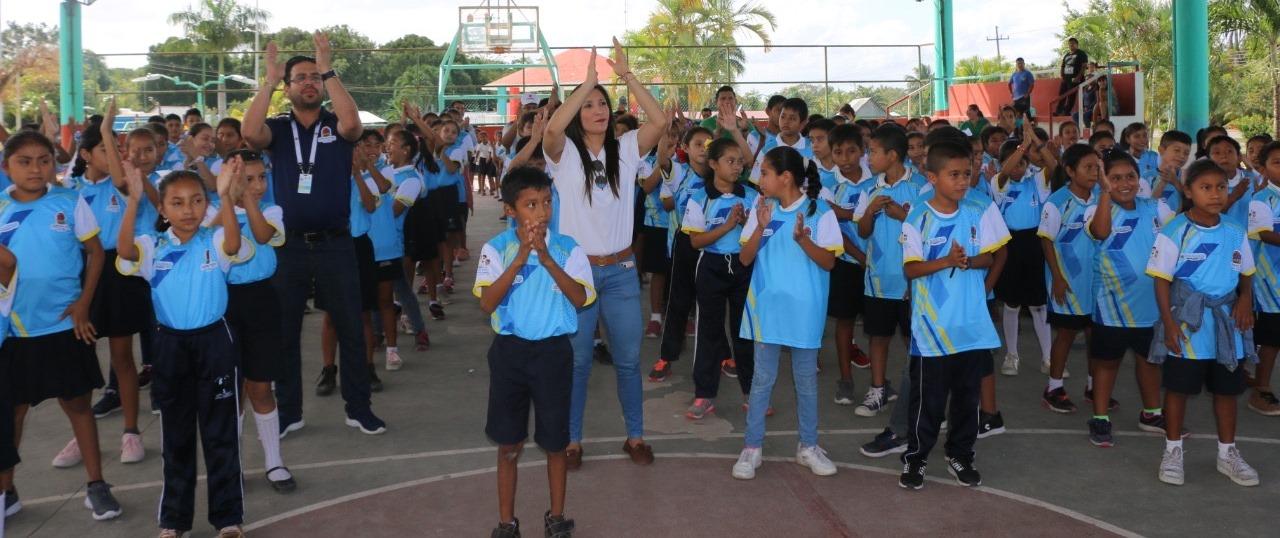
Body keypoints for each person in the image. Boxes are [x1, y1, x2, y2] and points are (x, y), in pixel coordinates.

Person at [241, 34, 385, 437]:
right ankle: (289, 411)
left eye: (314, 78)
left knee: (351, 329)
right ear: (288, 88)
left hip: (336, 243)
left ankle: (359, 407)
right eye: (300, 77)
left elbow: (354, 125)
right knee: (285, 331)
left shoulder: (336, 125)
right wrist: (267, 82)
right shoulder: (279, 128)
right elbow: (250, 135)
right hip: (289, 247)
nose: (309, 82)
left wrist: (328, 68)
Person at [543, 40, 668, 468]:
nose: (597, 110)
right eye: (589, 105)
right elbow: (552, 131)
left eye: (602, 104)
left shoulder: (628, 148)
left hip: (620, 272)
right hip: (577, 274)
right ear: (578, 112)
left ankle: (635, 436)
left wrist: (628, 75)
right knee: (577, 362)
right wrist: (587, 83)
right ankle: (572, 441)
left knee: (629, 361)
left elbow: (660, 120)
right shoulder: (565, 155)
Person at [118, 160, 251, 537]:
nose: (188, 210)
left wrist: (224, 196)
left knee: (220, 433)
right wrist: (132, 203)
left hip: (215, 342)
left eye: (196, 201)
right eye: (176, 203)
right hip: (170, 347)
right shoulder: (152, 246)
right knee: (176, 435)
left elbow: (235, 242)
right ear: (162, 209)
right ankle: (174, 520)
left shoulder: (215, 241)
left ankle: (227, 518)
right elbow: (125, 250)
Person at [0, 130, 121, 521]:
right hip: (15, 331)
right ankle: (7, 491)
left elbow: (96, 253)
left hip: (65, 325)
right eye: (25, 161)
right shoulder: (0, 208)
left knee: (78, 405)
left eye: (44, 160)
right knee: (12, 413)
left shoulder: (70, 201)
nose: (36, 168)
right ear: (6, 168)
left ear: (56, 164)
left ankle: (96, 485)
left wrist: (84, 304)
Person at [477, 167, 592, 538]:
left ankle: (556, 516)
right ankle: (506, 522)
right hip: (510, 353)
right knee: (508, 443)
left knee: (555, 442)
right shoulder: (496, 249)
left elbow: (580, 298)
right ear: (511, 210)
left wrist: (545, 259)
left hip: (553, 354)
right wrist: (520, 257)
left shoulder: (567, 248)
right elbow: (487, 302)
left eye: (546, 203)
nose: (541, 213)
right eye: (530, 205)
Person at [897, 140, 1010, 490]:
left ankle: (960, 453)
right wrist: (947, 260)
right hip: (932, 328)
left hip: (970, 326)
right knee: (927, 400)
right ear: (932, 177)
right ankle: (915, 458)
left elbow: (991, 257)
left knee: (966, 397)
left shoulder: (977, 211)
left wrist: (968, 262)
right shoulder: (918, 217)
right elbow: (912, 270)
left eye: (967, 173)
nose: (963, 181)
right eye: (954, 175)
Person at [1147, 159, 1260, 488]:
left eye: (1221, 187)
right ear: (1188, 191)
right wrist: (1168, 324)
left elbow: (1247, 275)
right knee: (1179, 389)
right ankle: (1172, 451)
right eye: (1206, 188)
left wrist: (1244, 300)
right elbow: (1161, 282)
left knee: (1227, 391)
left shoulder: (1235, 232)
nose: (1215, 194)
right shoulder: (1175, 231)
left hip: (1227, 324)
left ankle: (1228, 454)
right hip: (1187, 324)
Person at [731, 147, 842, 480]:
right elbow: (746, 259)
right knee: (762, 380)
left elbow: (829, 261)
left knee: (806, 381)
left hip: (805, 310)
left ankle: (808, 446)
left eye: (764, 172)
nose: (759, 178)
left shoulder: (820, 212)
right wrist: (764, 228)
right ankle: (752, 448)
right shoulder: (761, 209)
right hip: (767, 308)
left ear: (786, 177)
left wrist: (802, 240)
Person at [57, 106, 156, 468]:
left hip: (120, 272)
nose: (111, 153)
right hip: (81, 272)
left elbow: (119, 176)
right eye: (103, 148)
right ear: (85, 155)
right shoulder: (70, 190)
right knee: (80, 359)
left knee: (121, 357)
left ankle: (131, 431)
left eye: (114, 147)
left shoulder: (124, 183)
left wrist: (109, 130)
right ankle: (81, 436)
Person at [202, 150, 298, 492]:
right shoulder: (211, 210)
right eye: (248, 178)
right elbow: (203, 237)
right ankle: (233, 465)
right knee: (230, 390)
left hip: (260, 301)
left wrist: (245, 199)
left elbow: (260, 235)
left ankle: (274, 461)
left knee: (260, 386)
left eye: (261, 177)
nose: (257, 185)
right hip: (221, 304)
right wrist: (227, 195)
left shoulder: (272, 210)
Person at [1084, 151, 1178, 447]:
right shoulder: (1095, 210)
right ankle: (1100, 418)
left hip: (1151, 306)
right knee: (1106, 364)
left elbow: (1179, 239)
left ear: (1140, 179)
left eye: (1130, 177)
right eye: (1115, 178)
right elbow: (1100, 232)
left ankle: (1151, 413)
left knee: (1149, 361)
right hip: (1112, 306)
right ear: (1105, 181)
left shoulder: (1156, 208)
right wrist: (1103, 194)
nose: (1124, 183)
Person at [682, 138, 758, 419]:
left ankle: (752, 393)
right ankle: (704, 395)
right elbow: (695, 241)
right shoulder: (700, 198)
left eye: (740, 161)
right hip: (711, 266)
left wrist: (749, 222)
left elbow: (757, 236)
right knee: (709, 333)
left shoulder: (750, 196)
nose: (737, 166)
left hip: (743, 266)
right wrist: (728, 226)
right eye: (730, 161)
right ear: (713, 164)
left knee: (745, 332)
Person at [852, 124, 919, 417]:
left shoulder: (921, 187)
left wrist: (902, 215)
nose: (868, 157)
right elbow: (863, 231)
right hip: (878, 280)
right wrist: (870, 212)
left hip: (910, 281)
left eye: (874, 152)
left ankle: (920, 395)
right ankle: (878, 390)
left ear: (892, 155)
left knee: (913, 339)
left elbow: (927, 229)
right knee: (877, 337)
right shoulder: (870, 188)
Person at [1038, 144, 1100, 413]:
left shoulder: (1101, 198)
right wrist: (1058, 278)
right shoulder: (1056, 202)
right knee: (1066, 333)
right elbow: (1046, 240)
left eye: (1097, 167)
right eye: (1088, 168)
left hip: (1095, 280)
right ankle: (1054, 387)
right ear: (1070, 171)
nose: (1094, 173)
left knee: (1094, 333)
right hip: (1068, 280)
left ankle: (1093, 385)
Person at [648, 127, 712, 382]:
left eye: (708, 144)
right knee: (678, 303)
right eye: (698, 143)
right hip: (682, 246)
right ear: (685, 147)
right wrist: (663, 132)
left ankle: (721, 354)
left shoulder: (719, 174)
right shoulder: (678, 173)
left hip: (712, 249)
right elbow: (663, 160)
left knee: (712, 307)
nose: (703, 149)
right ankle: (667, 356)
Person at [823, 124, 873, 404]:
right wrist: (860, 256)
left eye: (852, 151)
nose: (846, 158)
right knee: (845, 322)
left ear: (862, 151)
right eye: (839, 152)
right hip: (846, 262)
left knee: (879, 328)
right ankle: (846, 379)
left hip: (878, 263)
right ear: (832, 154)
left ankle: (880, 382)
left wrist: (871, 258)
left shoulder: (875, 179)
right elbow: (835, 225)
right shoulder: (827, 183)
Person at [1248, 140, 1280, 416]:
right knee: (1270, 338)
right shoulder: (1261, 199)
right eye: (1277, 163)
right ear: (1264, 169)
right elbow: (1264, 233)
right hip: (1271, 283)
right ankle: (1261, 390)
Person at [1140, 130, 1193, 210]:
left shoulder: (1188, 177)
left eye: (1186, 153)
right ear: (1161, 150)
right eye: (1177, 150)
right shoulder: (1147, 177)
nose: (1182, 156)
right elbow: (1147, 205)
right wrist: (1163, 183)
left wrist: (1175, 182)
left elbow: (1191, 201)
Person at [1055, 38, 1089, 116]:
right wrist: (1062, 76)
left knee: (1071, 96)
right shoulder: (1067, 55)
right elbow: (1063, 66)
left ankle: (1066, 112)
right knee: (1061, 95)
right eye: (1070, 44)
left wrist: (1078, 77)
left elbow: (1084, 66)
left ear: (1077, 44)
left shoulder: (1081, 53)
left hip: (1075, 79)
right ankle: (1058, 111)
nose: (1071, 45)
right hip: (1066, 79)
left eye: (1073, 43)